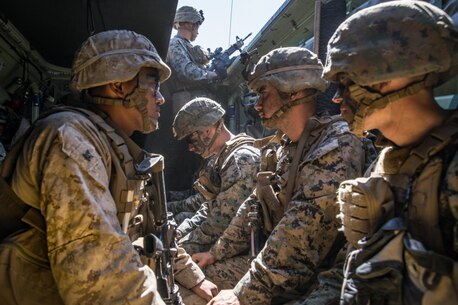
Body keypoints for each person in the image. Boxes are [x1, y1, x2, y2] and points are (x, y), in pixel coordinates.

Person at [0, 30, 218, 305]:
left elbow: (152, 229)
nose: (160, 99)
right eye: (153, 87)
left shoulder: (117, 149)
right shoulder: (70, 139)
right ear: (117, 86)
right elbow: (100, 274)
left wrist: (194, 279)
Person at [305, 1, 457, 304]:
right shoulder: (384, 162)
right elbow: (347, 274)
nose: (336, 99)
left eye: (346, 83)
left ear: (388, 76)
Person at [203, 46, 365, 305]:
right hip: (279, 267)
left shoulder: (336, 145)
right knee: (200, 279)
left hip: (316, 278)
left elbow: (299, 238)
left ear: (296, 90)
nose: (257, 104)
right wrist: (215, 253)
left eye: (264, 93)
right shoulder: (285, 149)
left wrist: (243, 294)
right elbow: (254, 205)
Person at [170, 97, 260, 255]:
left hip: (244, 248)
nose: (190, 148)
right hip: (227, 238)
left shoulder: (241, 160)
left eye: (191, 139)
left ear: (207, 130)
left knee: (176, 264)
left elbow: (220, 222)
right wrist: (178, 235)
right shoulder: (221, 159)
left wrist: (182, 246)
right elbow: (208, 209)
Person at [163, 5, 224, 197]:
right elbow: (185, 71)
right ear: (190, 23)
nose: (197, 30)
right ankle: (178, 197)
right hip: (185, 103)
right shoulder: (175, 44)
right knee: (186, 155)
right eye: (196, 25)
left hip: (195, 102)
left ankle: (195, 193)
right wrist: (212, 74)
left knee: (198, 156)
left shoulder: (186, 46)